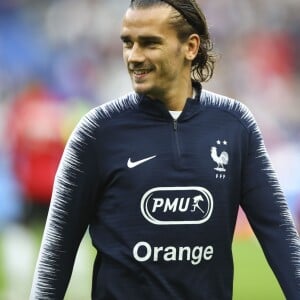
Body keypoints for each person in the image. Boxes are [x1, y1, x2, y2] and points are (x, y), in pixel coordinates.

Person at [30, 0, 300, 299]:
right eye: (128, 43)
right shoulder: (97, 131)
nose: (134, 56)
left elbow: (278, 232)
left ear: (191, 47)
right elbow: (57, 250)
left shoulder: (235, 125)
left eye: (149, 43)